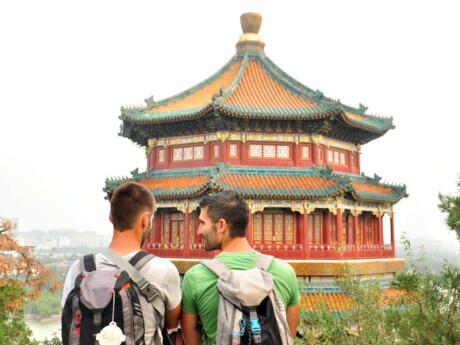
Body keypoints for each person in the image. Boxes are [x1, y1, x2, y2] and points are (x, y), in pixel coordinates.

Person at [181, 191, 300, 345]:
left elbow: (191, 341)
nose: (199, 231)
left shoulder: (196, 277)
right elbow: (289, 334)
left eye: (203, 223)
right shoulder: (285, 272)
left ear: (221, 225)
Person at [61, 182, 181, 334]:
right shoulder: (164, 271)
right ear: (145, 220)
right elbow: (171, 324)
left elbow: (67, 319)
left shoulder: (79, 268)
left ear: (110, 217)